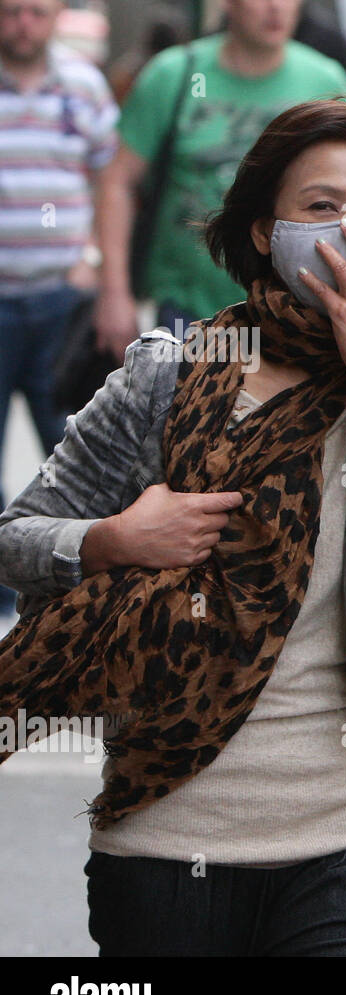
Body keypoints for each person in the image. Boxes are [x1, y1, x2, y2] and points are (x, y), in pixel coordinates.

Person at [0, 97, 346, 956]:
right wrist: (112, 540)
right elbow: (18, 535)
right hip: (165, 836)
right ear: (265, 229)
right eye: (322, 207)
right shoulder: (167, 376)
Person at [93, 0, 346, 362]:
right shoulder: (175, 74)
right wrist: (113, 293)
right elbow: (116, 182)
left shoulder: (325, 81)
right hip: (192, 312)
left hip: (299, 311)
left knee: (287, 418)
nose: (276, 8)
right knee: (200, 416)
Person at [0, 0, 117, 621]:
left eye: (36, 12)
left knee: (73, 446)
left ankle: (73, 587)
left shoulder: (82, 87)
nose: (23, 24)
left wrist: (95, 261)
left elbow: (110, 179)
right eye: (12, 12)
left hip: (61, 301)